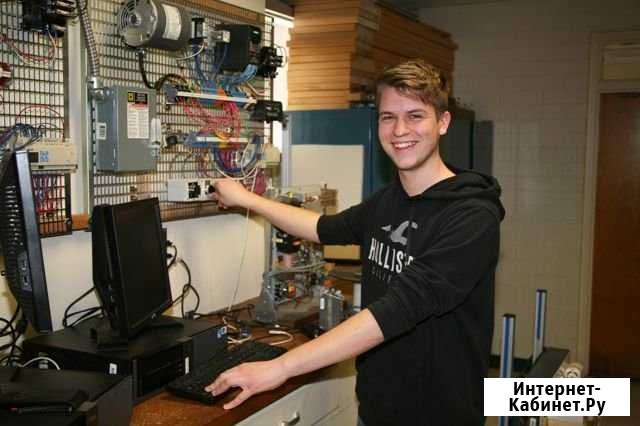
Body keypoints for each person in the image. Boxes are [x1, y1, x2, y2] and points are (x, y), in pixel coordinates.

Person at [207, 59, 505, 426]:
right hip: (376, 408)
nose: (400, 130)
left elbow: (397, 310)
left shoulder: (471, 216)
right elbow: (323, 227)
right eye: (388, 117)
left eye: (415, 116)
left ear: (442, 122)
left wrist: (281, 367)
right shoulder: (388, 200)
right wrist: (247, 199)